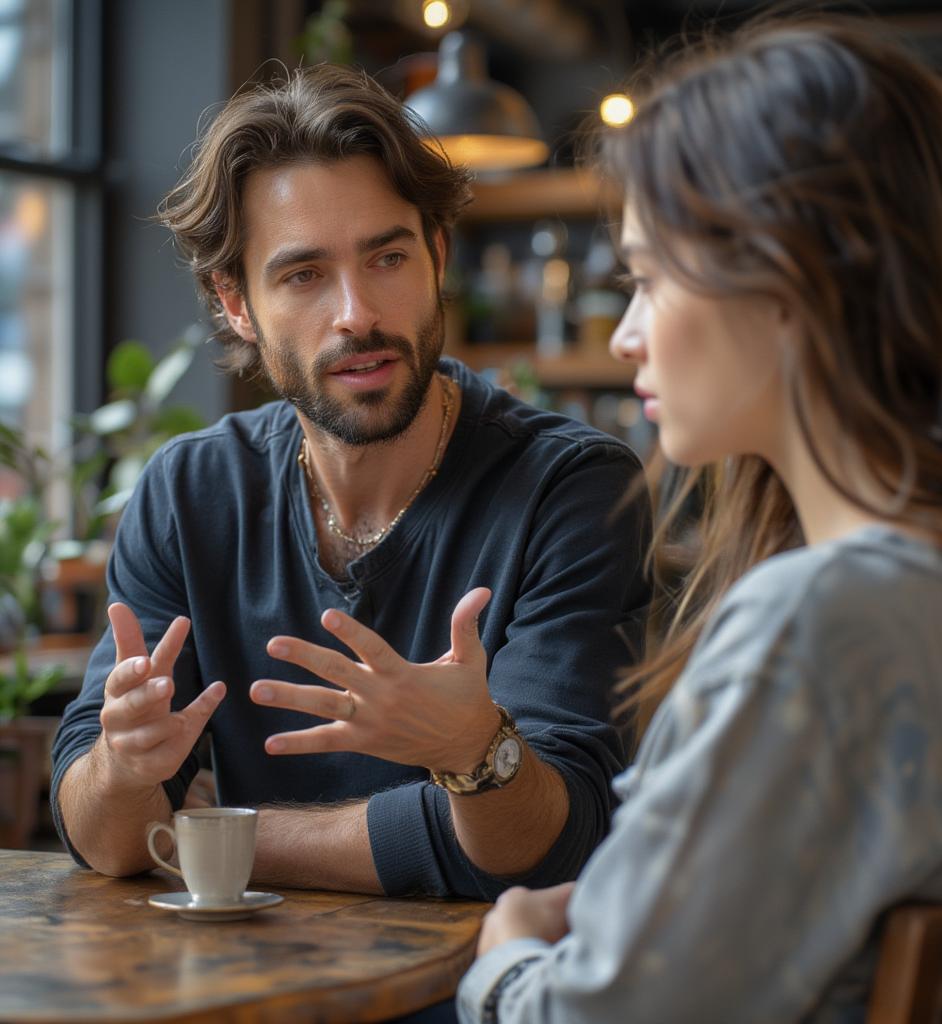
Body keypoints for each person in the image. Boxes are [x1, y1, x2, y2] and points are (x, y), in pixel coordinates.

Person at [457, 16, 942, 1023]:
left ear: (785, 278)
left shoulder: (819, 626)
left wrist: (503, 958)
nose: (627, 334)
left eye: (646, 278)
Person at [50, 64, 651, 902]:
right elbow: (102, 840)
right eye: (303, 275)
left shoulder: (571, 489)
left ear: (437, 256)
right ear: (236, 303)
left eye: (388, 257)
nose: (356, 314)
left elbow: (545, 844)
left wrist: (474, 752)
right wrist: (123, 767)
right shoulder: (190, 492)